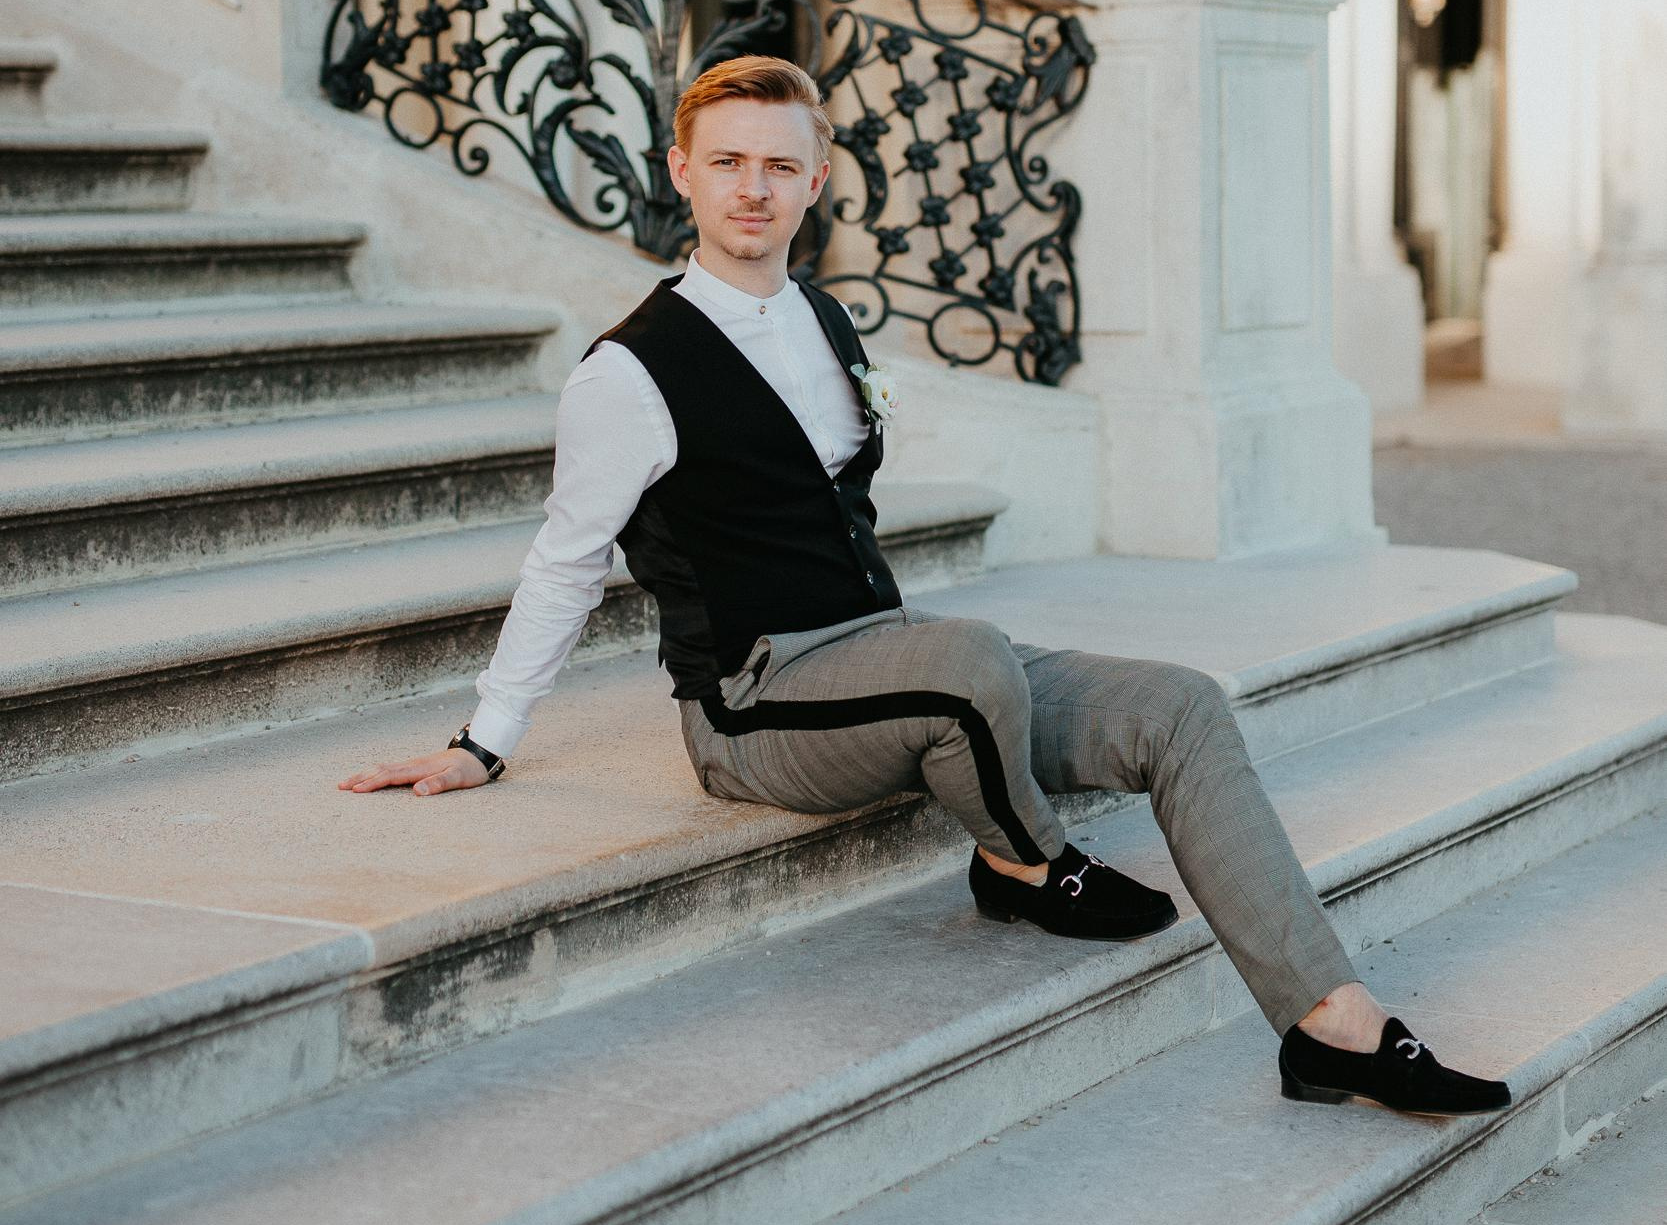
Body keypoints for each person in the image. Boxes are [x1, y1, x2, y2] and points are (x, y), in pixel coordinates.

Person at [341, 55, 1510, 1117]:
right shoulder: (628, 372)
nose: (752, 189)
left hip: (887, 657)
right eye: (728, 162)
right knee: (965, 662)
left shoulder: (824, 320)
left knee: (1180, 705)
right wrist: (485, 738)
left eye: (779, 166)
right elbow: (565, 559)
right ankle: (1024, 862)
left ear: (815, 181)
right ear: (680, 172)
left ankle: (1330, 1024)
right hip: (754, 704)